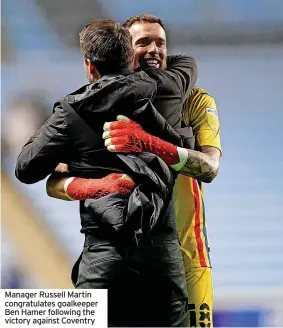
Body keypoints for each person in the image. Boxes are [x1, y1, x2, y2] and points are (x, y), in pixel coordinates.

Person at [15, 19, 198, 327]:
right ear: (131, 58)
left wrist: (77, 167)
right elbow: (185, 64)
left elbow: (25, 168)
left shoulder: (71, 112)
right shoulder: (165, 90)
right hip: (162, 268)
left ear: (89, 66)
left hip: (103, 266)